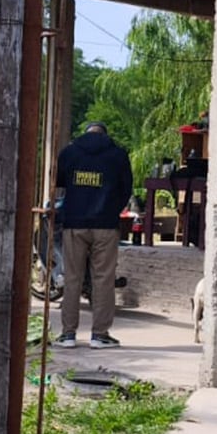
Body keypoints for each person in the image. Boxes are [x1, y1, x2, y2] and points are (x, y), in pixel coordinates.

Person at [54, 121, 133, 348]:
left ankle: (68, 334)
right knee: (103, 279)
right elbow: (126, 189)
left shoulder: (70, 153)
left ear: (86, 132)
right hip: (106, 225)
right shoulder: (118, 155)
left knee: (72, 278)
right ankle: (100, 335)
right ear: (105, 134)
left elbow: (58, 181)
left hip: (74, 224)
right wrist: (111, 209)